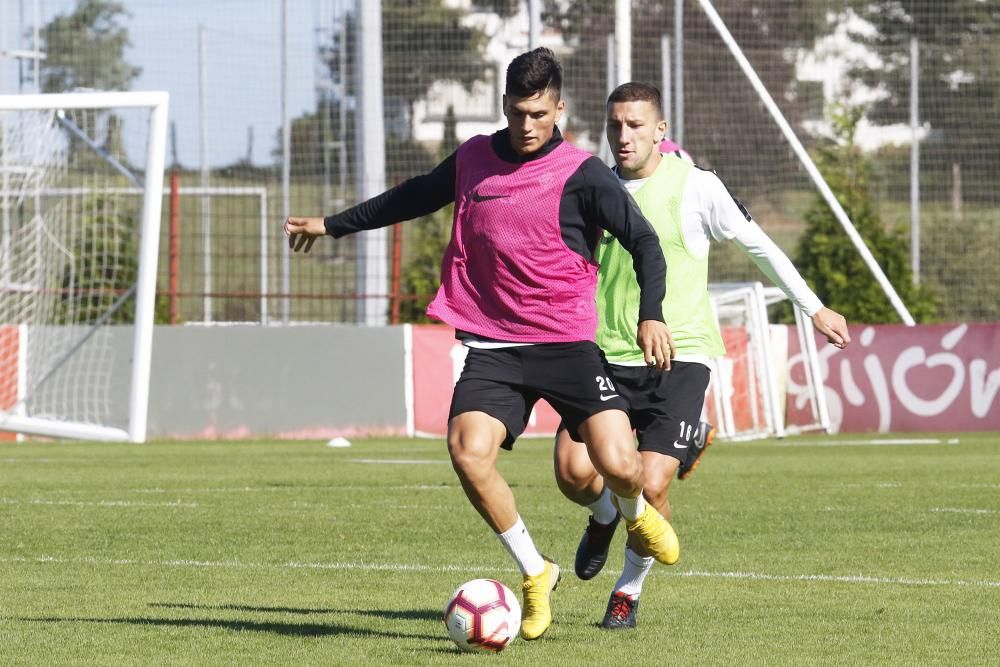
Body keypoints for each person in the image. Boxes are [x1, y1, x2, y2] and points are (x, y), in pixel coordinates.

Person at [284, 50, 681, 641]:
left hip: (567, 343)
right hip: (495, 344)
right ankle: (534, 571)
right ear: (503, 106)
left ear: (560, 109)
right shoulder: (474, 157)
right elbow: (415, 194)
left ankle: (634, 514)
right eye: (519, 112)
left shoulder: (584, 173)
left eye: (540, 114)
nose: (528, 126)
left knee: (620, 467)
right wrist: (334, 224)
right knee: (467, 451)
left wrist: (652, 316)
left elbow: (645, 244)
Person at [553, 82, 851, 630]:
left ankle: (628, 590)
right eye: (615, 125)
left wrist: (814, 308)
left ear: (660, 130)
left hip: (680, 353)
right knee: (573, 472)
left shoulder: (697, 187)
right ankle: (601, 517)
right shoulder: (587, 186)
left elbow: (759, 244)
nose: (624, 135)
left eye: (637, 125)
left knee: (651, 482)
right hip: (602, 354)